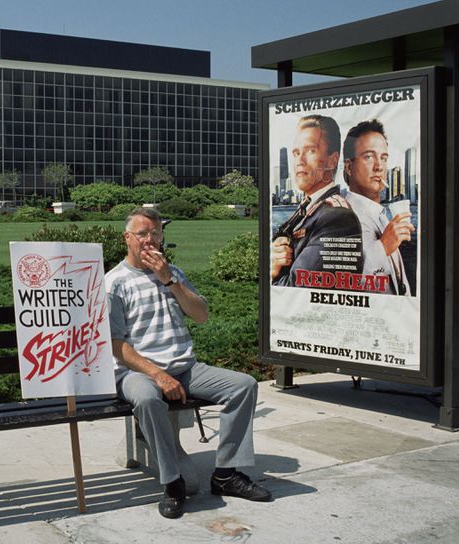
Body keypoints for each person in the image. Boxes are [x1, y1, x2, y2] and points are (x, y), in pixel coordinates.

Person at [105, 207, 271, 520]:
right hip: (137, 372)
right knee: (146, 398)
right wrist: (158, 375)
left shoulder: (173, 273)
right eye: (142, 234)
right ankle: (172, 482)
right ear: (127, 238)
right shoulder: (114, 283)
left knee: (243, 385)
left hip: (185, 367)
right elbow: (116, 345)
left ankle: (226, 474)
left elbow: (201, 315)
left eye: (155, 233)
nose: (149, 240)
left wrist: (169, 281)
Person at [272, 114, 363, 286]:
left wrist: (272, 273)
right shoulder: (307, 208)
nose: (300, 160)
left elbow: (296, 291)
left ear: (333, 160)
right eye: (296, 152)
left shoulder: (337, 218)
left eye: (311, 150)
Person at [343, 119, 414, 295]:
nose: (379, 166)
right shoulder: (343, 217)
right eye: (368, 156)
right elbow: (345, 281)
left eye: (383, 158)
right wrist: (383, 247)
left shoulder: (378, 214)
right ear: (349, 167)